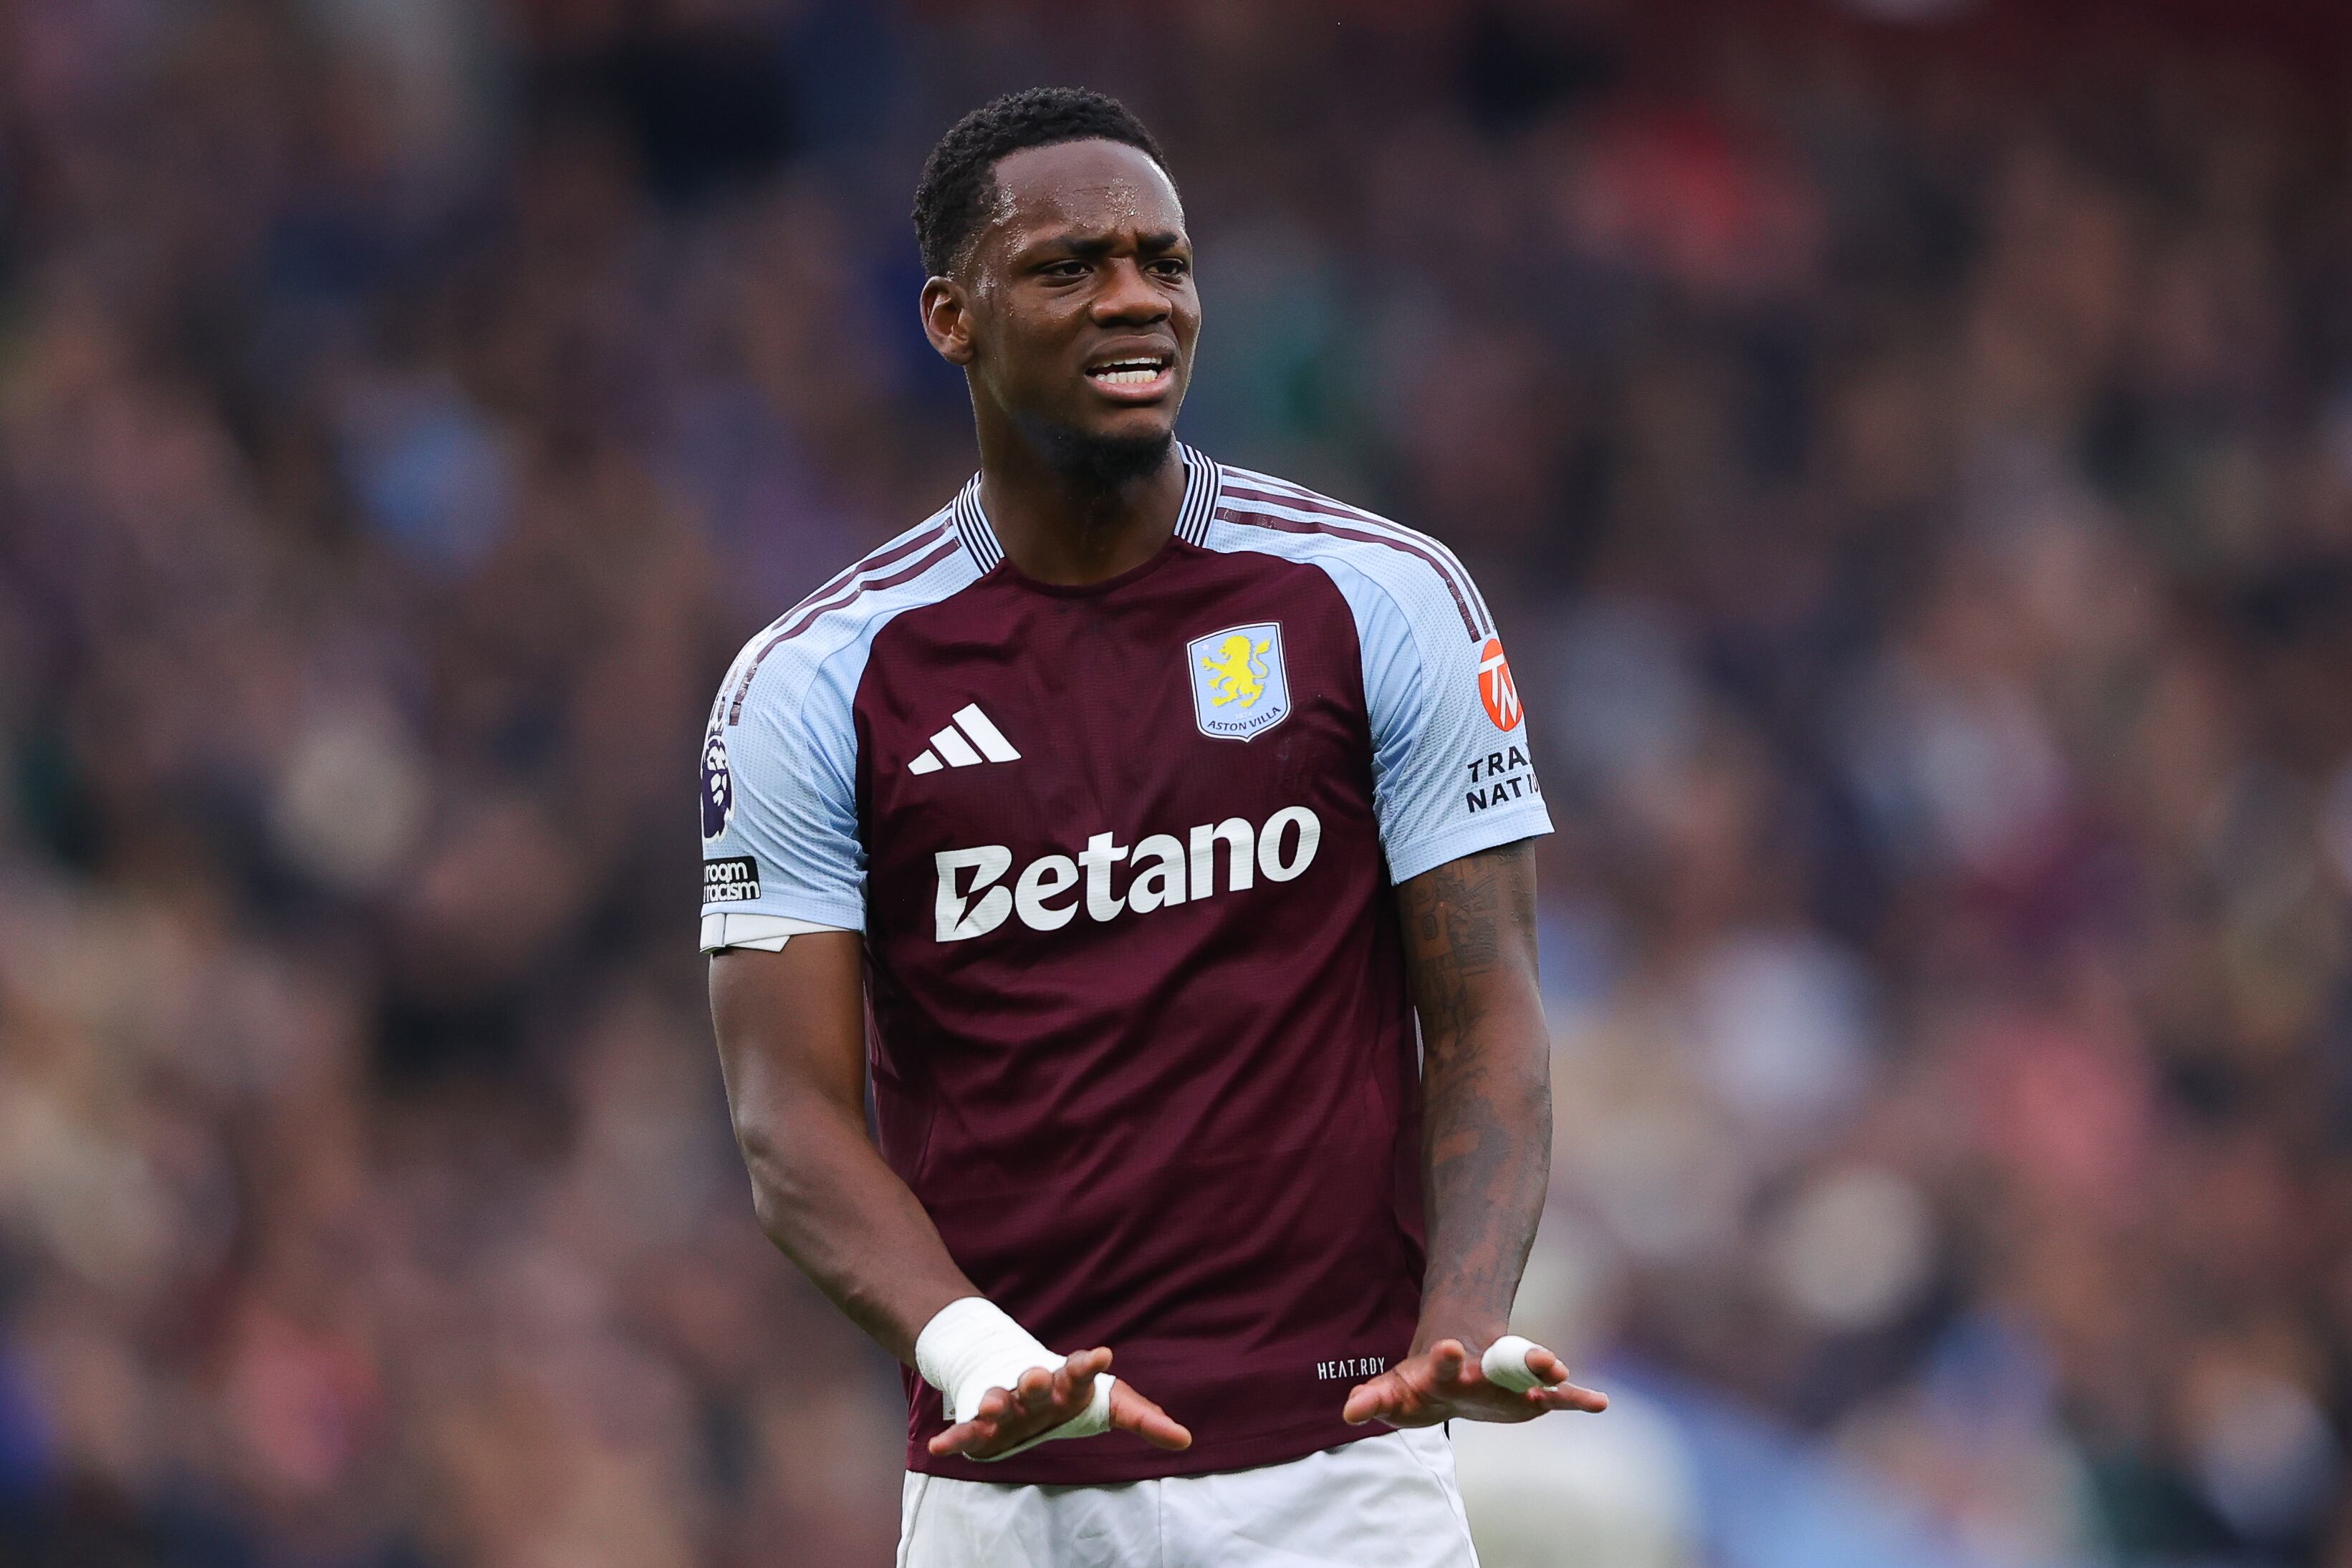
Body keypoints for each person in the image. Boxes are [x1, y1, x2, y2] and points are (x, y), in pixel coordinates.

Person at [701, 86, 1605, 1567]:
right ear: (951, 317)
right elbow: (785, 1114)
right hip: (1012, 1489)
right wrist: (977, 1353)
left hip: (1343, 1466)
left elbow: (1491, 1008)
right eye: (1068, 268)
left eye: (1163, 263)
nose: (1135, 300)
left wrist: (1460, 1322)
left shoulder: (1379, 599)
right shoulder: (814, 680)